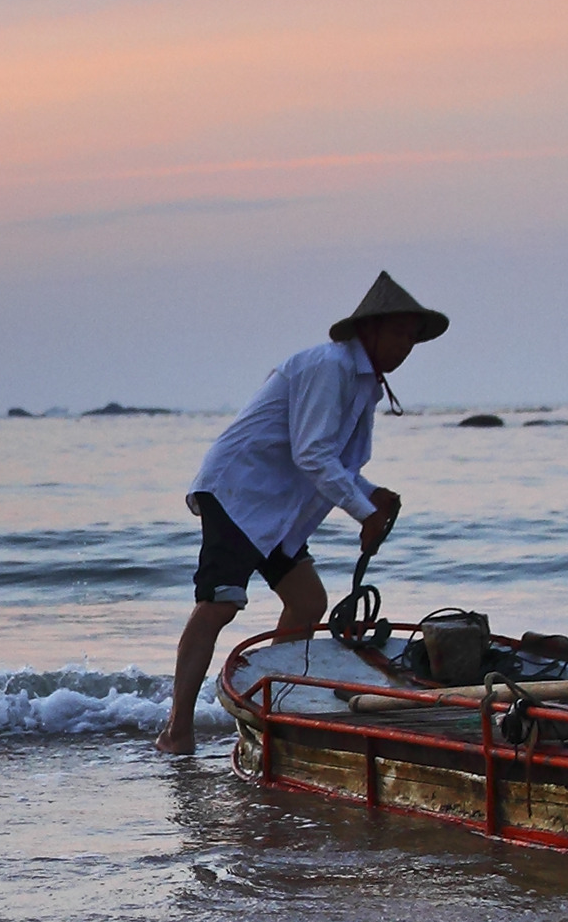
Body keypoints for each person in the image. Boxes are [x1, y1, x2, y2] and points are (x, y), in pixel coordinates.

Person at [157, 272, 448, 753]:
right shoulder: (329, 366)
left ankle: (274, 706)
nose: (405, 346)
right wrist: (363, 512)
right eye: (398, 333)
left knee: (309, 601)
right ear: (369, 331)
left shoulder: (366, 387)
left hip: (275, 508)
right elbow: (312, 455)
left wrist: (372, 495)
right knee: (219, 604)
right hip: (239, 490)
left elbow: (342, 465)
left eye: (412, 338)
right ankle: (177, 730)